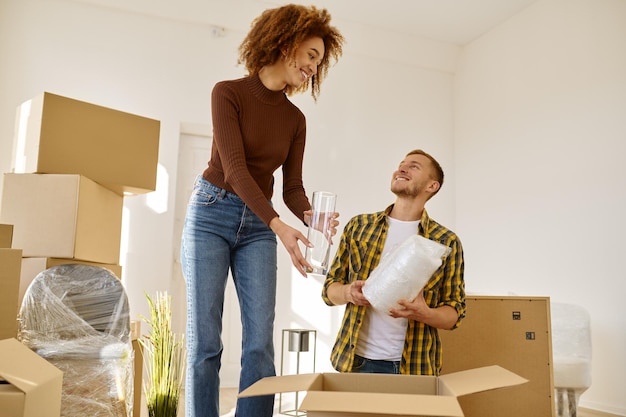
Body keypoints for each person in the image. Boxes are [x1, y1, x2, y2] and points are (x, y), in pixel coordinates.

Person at [180, 4, 343, 417]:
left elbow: (291, 188)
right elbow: (234, 169)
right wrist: (278, 226)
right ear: (285, 43)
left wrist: (309, 215)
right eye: (310, 55)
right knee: (205, 342)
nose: (313, 67)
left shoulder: (295, 120)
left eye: (318, 62)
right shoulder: (227, 93)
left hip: (256, 225)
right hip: (211, 215)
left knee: (259, 342)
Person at [321, 149, 465, 376]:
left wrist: (423, 313)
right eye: (401, 164)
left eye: (414, 166)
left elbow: (454, 314)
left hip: (415, 368)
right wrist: (349, 293)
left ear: (432, 186)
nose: (402, 168)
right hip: (356, 363)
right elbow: (329, 290)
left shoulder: (445, 242)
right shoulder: (359, 227)